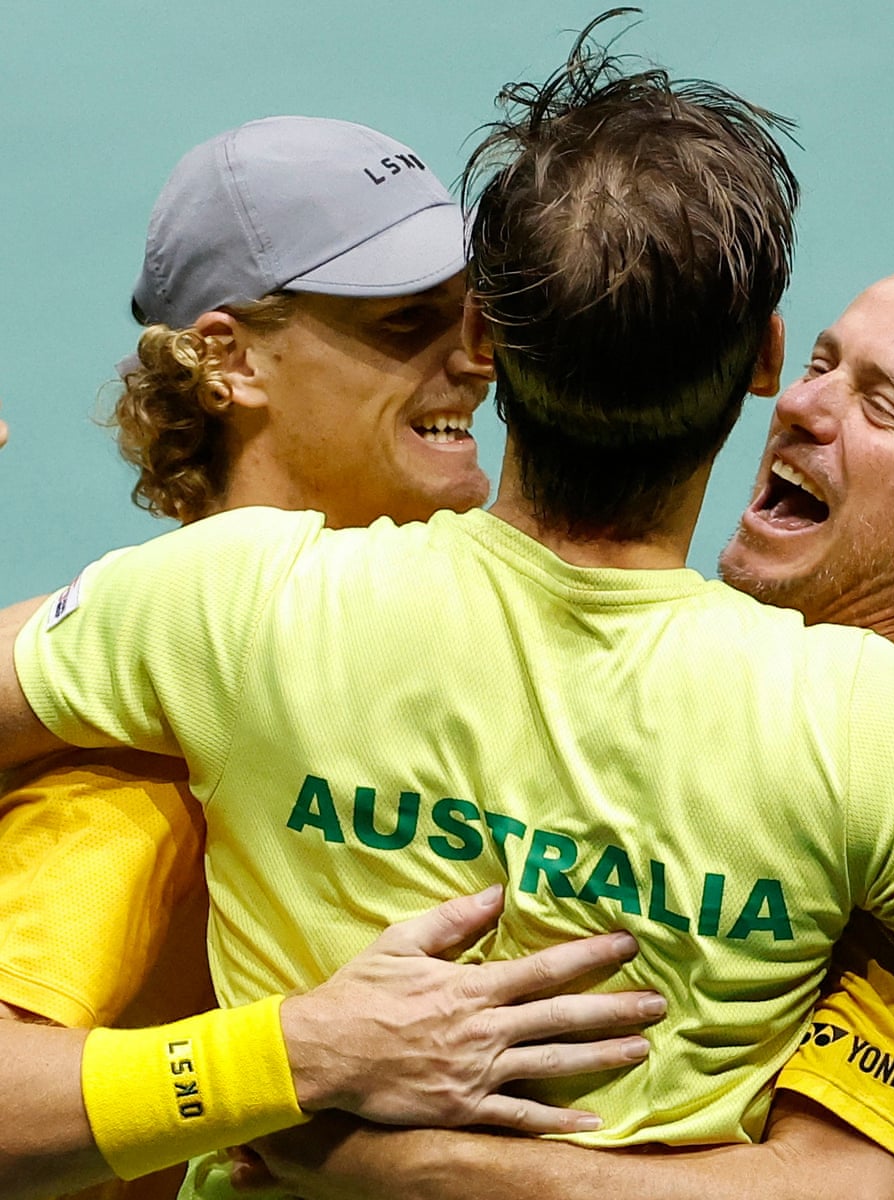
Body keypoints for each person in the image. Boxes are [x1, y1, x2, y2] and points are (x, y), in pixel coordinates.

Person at [243, 238, 894, 1200]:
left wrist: (374, 1151)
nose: (798, 405)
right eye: (822, 363)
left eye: (880, 405)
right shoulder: (713, 672)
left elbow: (839, 1185)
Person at [0, 114, 666, 1200]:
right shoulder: (138, 765)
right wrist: (300, 1054)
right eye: (408, 323)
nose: (474, 362)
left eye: (476, 320)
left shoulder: (414, 675)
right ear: (230, 359)